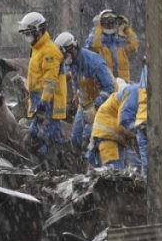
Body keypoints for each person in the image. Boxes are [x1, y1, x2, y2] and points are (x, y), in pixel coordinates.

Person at [18, 11, 68, 166]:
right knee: (34, 139)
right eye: (25, 34)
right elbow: (37, 77)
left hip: (48, 103)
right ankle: (49, 168)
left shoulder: (49, 51)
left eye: (29, 33)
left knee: (47, 140)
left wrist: (43, 103)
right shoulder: (37, 49)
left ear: (39, 31)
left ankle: (56, 170)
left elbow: (50, 82)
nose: (27, 37)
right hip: (38, 100)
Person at [54, 32, 115, 153]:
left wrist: (95, 106)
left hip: (101, 106)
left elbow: (110, 88)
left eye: (64, 54)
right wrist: (76, 94)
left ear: (73, 49)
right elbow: (76, 79)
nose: (63, 58)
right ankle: (78, 164)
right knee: (76, 139)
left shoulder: (94, 63)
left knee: (89, 139)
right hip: (84, 105)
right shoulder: (71, 62)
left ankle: (92, 164)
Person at [88, 78, 136, 168]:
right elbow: (124, 123)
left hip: (106, 136)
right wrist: (135, 135)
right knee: (114, 173)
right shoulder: (130, 97)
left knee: (111, 173)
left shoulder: (126, 96)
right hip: (109, 138)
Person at [85, 9, 139, 81]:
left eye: (112, 22)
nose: (109, 25)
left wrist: (126, 28)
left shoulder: (120, 42)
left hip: (123, 84)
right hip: (105, 84)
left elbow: (134, 45)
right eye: (106, 22)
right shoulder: (98, 42)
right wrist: (98, 28)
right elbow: (93, 46)